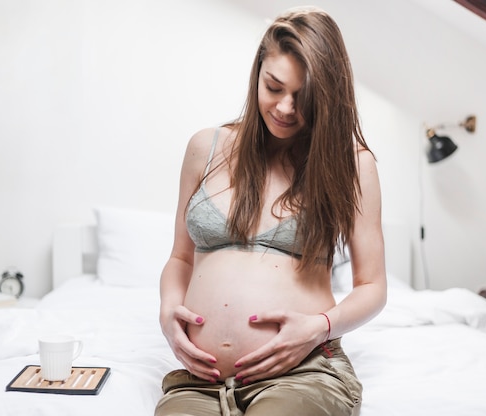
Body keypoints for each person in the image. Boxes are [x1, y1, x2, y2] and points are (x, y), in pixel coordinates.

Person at [156, 6, 386, 416]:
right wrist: (168, 311)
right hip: (201, 380)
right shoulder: (205, 148)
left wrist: (318, 328)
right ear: (258, 73)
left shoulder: (352, 164)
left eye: (304, 98)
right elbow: (179, 257)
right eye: (274, 87)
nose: (284, 108)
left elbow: (372, 286)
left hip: (302, 371)